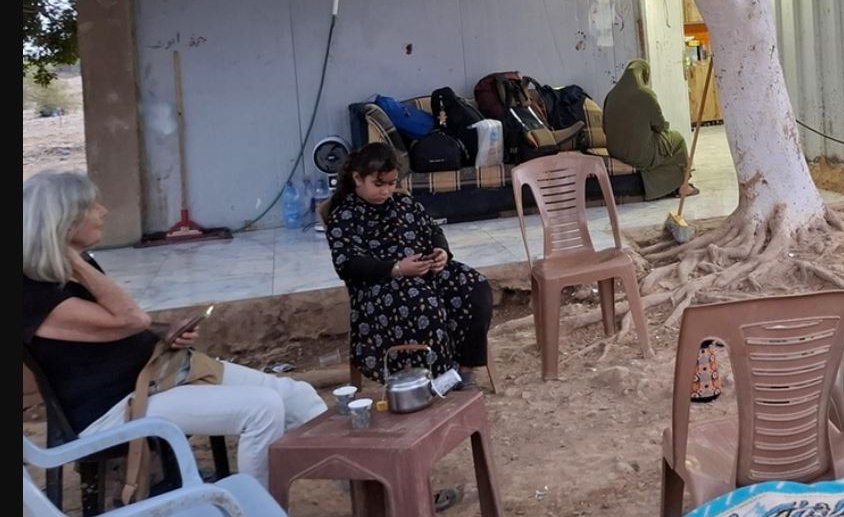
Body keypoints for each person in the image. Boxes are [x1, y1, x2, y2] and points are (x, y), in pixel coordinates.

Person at [21, 170, 327, 489]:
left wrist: (164, 330)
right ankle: (258, 507)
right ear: (65, 221)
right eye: (91, 206)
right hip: (117, 407)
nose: (103, 211)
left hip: (162, 374)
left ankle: (353, 477)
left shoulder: (65, 271)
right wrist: (75, 261)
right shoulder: (33, 293)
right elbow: (131, 319)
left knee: (299, 396)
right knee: (262, 410)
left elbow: (113, 328)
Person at [323, 143, 493, 388]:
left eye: (391, 183)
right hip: (380, 287)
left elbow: (432, 230)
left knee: (475, 286)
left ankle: (464, 371)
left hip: (424, 273)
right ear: (358, 178)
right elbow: (348, 265)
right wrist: (396, 269)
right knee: (422, 302)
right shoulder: (344, 216)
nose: (386, 191)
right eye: (378, 184)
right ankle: (439, 378)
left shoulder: (404, 203)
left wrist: (441, 252)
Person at [603, 58, 697, 200]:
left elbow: (605, 128)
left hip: (615, 152)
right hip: (639, 155)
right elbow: (659, 126)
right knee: (677, 140)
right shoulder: (645, 94)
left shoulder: (610, 96)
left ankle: (660, 186)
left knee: (653, 144)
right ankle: (683, 186)